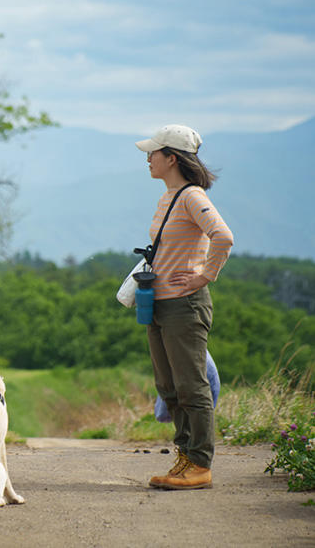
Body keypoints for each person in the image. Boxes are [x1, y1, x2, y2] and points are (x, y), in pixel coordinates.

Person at [135, 124, 234, 490]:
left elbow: (223, 236)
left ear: (171, 157)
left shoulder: (192, 196)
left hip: (184, 306)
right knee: (169, 387)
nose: (148, 158)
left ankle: (200, 464)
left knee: (192, 387)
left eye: (153, 153)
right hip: (159, 306)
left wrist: (203, 276)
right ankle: (184, 457)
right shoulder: (169, 196)